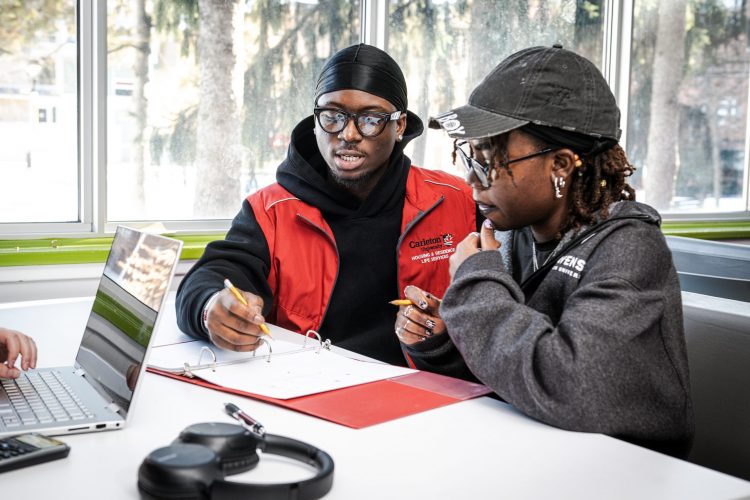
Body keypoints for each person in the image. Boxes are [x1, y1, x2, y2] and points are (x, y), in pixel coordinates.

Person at [393, 44, 694, 456]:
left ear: (562, 166)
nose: (471, 179)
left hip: (624, 470)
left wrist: (477, 286)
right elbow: (513, 375)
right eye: (471, 155)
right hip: (534, 452)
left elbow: (570, 385)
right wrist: (443, 342)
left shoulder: (629, 249)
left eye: (490, 158)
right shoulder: (514, 234)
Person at [176, 43, 477, 366]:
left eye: (371, 119)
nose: (348, 134)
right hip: (307, 391)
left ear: (399, 126)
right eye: (333, 116)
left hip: (430, 396)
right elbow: (212, 275)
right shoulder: (271, 210)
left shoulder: (454, 198)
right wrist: (211, 309)